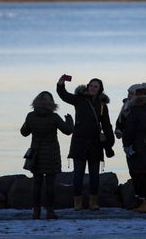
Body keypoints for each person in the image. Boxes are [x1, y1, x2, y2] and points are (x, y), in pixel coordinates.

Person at [56, 74, 115, 211]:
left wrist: (109, 142)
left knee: (95, 175)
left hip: (95, 143)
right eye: (91, 85)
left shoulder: (102, 106)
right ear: (87, 87)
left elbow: (106, 125)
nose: (93, 88)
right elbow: (64, 95)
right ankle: (77, 202)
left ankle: (93, 202)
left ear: (100, 89)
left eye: (96, 86)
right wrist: (60, 83)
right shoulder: (79, 99)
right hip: (79, 142)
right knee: (78, 174)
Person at [20, 91, 73, 220]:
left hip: (36, 153)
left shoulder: (30, 116)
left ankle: (36, 212)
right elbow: (67, 130)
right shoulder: (54, 117)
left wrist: (28, 124)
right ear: (51, 103)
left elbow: (24, 132)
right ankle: (50, 211)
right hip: (51, 153)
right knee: (50, 184)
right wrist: (69, 120)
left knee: (37, 183)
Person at [121, 83, 146, 213]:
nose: (129, 97)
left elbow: (129, 131)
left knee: (139, 176)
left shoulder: (135, 111)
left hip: (137, 148)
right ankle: (145, 202)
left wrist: (127, 146)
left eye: (131, 94)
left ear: (137, 97)